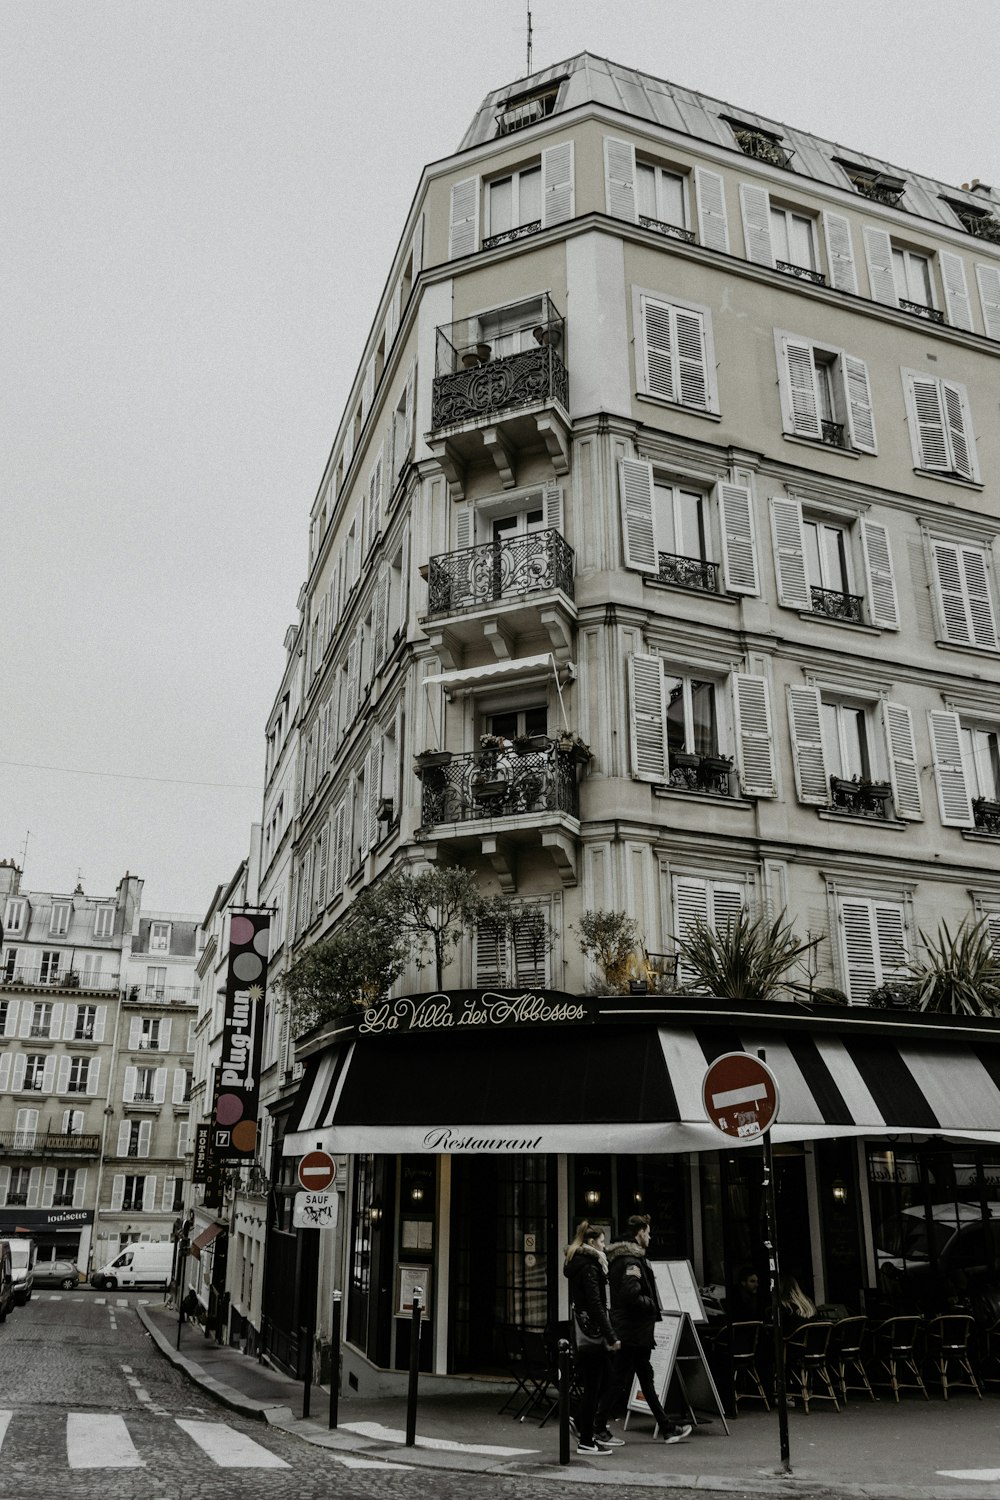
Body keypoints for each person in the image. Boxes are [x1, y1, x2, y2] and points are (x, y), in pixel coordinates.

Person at [597, 1215, 693, 1444]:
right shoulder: (632, 1262)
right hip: (634, 1331)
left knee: (642, 1378)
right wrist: (652, 1304)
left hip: (630, 1330)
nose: (649, 1237)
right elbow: (631, 1294)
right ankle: (596, 1425)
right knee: (623, 1379)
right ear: (640, 1233)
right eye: (648, 1233)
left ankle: (667, 1428)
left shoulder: (620, 1259)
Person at [563, 1221, 622, 1457]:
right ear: (591, 1243)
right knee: (594, 1385)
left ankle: (579, 1422)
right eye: (602, 1241)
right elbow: (596, 1304)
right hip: (592, 1333)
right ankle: (586, 1440)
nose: (605, 1246)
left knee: (606, 1379)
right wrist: (610, 1334)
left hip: (587, 1329)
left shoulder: (581, 1264)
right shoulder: (589, 1267)